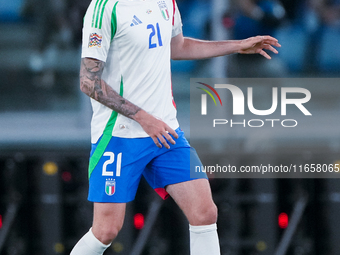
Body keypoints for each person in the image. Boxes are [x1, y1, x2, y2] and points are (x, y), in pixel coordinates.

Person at [70, 0, 280, 254]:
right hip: (118, 135)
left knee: (204, 212)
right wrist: (144, 118)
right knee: (106, 231)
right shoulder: (104, 8)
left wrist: (237, 46)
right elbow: (88, 81)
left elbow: (177, 46)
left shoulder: (165, 2)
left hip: (165, 131)